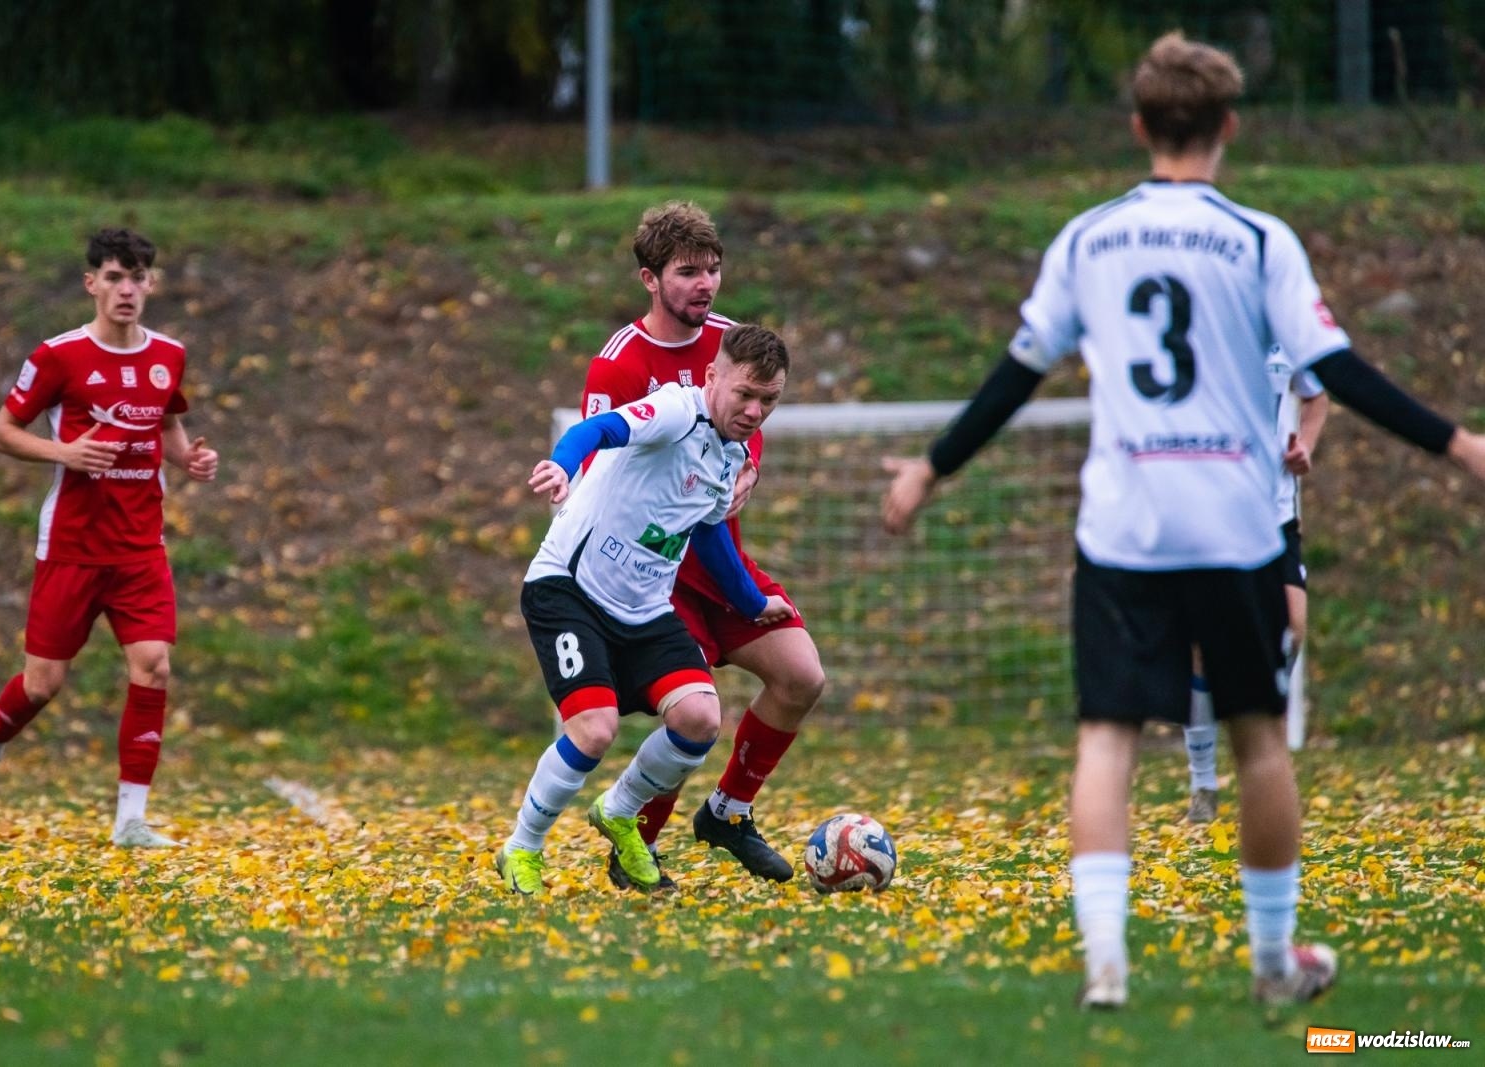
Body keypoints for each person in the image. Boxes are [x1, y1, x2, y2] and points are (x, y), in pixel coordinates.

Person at [880, 32, 1485, 1008]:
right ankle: (1273, 962)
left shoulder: (1087, 237)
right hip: (1235, 524)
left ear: (1137, 127)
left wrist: (928, 469)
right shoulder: (1256, 240)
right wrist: (1457, 443)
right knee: (1258, 742)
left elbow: (1014, 376)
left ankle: (1105, 967)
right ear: (1226, 128)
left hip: (1124, 527)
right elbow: (1337, 372)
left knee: (1107, 740)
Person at [0, 228, 219, 848]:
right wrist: (65, 451)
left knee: (154, 668)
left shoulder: (168, 354)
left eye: (138, 277)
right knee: (44, 684)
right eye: (115, 277)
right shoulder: (58, 356)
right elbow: (1, 432)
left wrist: (188, 461)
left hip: (141, 546)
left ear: (151, 285)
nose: (127, 289)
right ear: (91, 283)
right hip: (70, 545)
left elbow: (168, 421)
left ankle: (131, 821)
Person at [578, 201, 825, 889]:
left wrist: (752, 461)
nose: (705, 284)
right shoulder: (619, 366)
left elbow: (751, 412)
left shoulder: (729, 339)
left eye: (714, 269)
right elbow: (599, 476)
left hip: (724, 563)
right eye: (688, 271)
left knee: (802, 674)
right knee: (694, 709)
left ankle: (728, 812)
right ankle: (637, 846)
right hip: (655, 576)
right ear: (649, 280)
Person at [498, 325, 795, 895]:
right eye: (745, 394)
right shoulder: (673, 411)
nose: (756, 410)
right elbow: (599, 428)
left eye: (769, 400)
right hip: (569, 589)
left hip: (643, 608)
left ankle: (620, 810)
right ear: (712, 377)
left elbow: (709, 538)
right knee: (594, 730)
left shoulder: (729, 456)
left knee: (700, 718)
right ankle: (522, 847)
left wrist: (754, 604)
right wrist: (563, 465)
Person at [1185, 350, 1328, 823]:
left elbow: (1316, 395)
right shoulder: (1207, 319)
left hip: (1275, 513)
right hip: (1212, 510)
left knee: (1293, 627)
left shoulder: (1286, 329)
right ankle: (1203, 781)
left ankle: (1261, 749)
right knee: (1203, 646)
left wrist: (1304, 444)